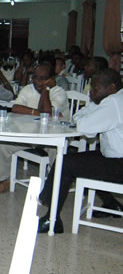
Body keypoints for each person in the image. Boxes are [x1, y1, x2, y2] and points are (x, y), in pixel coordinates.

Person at [37, 69, 123, 233]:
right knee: (84, 162)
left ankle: (52, 219)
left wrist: (85, 116)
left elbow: (84, 126)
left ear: (111, 87)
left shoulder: (112, 103)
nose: (91, 92)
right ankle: (112, 204)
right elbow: (80, 117)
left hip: (119, 161)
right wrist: (92, 107)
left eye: (96, 89)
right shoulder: (115, 99)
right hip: (114, 155)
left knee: (66, 163)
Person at [0, 62, 69, 193]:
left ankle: (53, 184)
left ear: (52, 79)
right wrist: (38, 113)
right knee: (3, 145)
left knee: (55, 151)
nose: (37, 82)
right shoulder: (28, 89)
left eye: (43, 78)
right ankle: (5, 180)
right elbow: (16, 108)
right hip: (30, 135)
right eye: (35, 77)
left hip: (52, 138)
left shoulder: (59, 92)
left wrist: (46, 90)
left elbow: (47, 112)